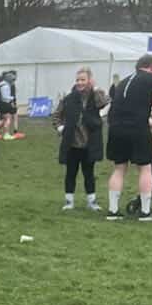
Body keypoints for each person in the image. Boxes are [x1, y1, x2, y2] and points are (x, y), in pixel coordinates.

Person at [106, 53, 152, 221]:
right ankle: (146, 212)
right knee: (145, 168)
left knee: (119, 168)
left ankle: (113, 211)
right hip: (137, 129)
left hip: (115, 128)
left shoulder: (124, 82)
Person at [54, 68, 106, 212]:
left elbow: (104, 102)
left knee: (89, 174)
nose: (79, 83)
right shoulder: (68, 98)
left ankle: (92, 201)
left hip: (90, 144)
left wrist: (95, 88)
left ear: (89, 80)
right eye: (77, 80)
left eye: (83, 79)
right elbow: (56, 116)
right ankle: (69, 201)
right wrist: (60, 128)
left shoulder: (95, 97)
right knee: (70, 173)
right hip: (72, 143)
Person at [0, 74, 15, 140]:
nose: (13, 81)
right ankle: (6, 134)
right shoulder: (6, 86)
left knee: (4, 119)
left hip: (0, 104)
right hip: (4, 104)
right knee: (8, 118)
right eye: (12, 79)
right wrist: (12, 98)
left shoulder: (1, 84)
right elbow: (5, 97)